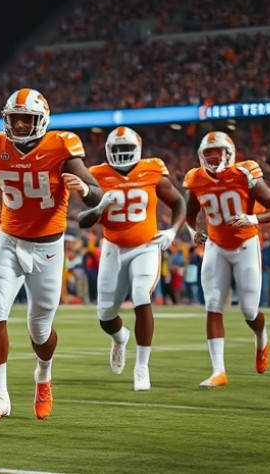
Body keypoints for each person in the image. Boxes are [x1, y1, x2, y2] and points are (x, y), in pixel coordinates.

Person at [0, 87, 103, 422]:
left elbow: (97, 196)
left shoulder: (62, 146)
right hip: (9, 240)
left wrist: (85, 189)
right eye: (14, 118)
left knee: (40, 330)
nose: (18, 125)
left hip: (48, 247)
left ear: (41, 120)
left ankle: (43, 375)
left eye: (26, 119)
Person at [77, 126, 185, 391]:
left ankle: (142, 366)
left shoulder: (153, 171)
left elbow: (179, 202)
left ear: (137, 150)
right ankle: (120, 337)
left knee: (141, 294)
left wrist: (172, 230)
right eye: (118, 149)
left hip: (145, 246)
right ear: (108, 151)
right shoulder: (97, 174)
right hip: (113, 247)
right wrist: (100, 206)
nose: (123, 154)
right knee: (105, 316)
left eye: (127, 149)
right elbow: (83, 221)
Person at [183, 131, 270, 387]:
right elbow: (189, 213)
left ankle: (261, 335)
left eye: (217, 153)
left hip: (245, 246)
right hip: (216, 246)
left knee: (249, 310)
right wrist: (194, 231)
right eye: (208, 154)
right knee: (213, 305)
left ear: (230, 153)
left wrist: (253, 218)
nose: (212, 159)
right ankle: (219, 371)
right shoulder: (195, 178)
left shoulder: (245, 173)